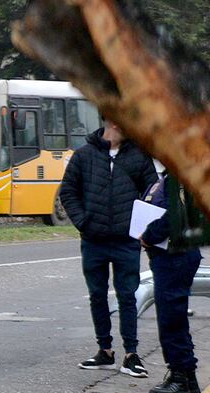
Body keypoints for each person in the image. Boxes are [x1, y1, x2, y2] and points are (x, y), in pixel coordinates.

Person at [59, 119, 158, 377]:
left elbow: (153, 192)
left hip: (126, 240)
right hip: (94, 240)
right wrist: (83, 222)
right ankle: (105, 351)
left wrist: (141, 228)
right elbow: (68, 191)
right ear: (111, 120)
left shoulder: (138, 155)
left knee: (128, 295)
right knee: (97, 295)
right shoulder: (84, 155)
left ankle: (131, 355)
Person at [139, 177, 203, 393]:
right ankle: (188, 376)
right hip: (171, 255)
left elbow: (173, 215)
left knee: (171, 319)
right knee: (172, 317)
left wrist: (148, 236)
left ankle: (180, 377)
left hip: (175, 255)